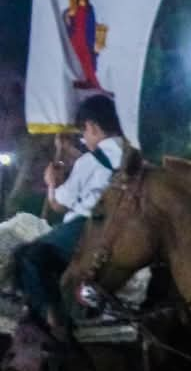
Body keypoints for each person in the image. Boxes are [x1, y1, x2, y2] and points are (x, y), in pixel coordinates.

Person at [14, 94, 124, 339]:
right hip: (120, 230)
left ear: (93, 126)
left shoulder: (90, 161)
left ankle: (53, 320)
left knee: (27, 257)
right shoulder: (132, 156)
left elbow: (57, 205)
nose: (83, 139)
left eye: (83, 132)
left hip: (85, 230)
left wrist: (51, 182)